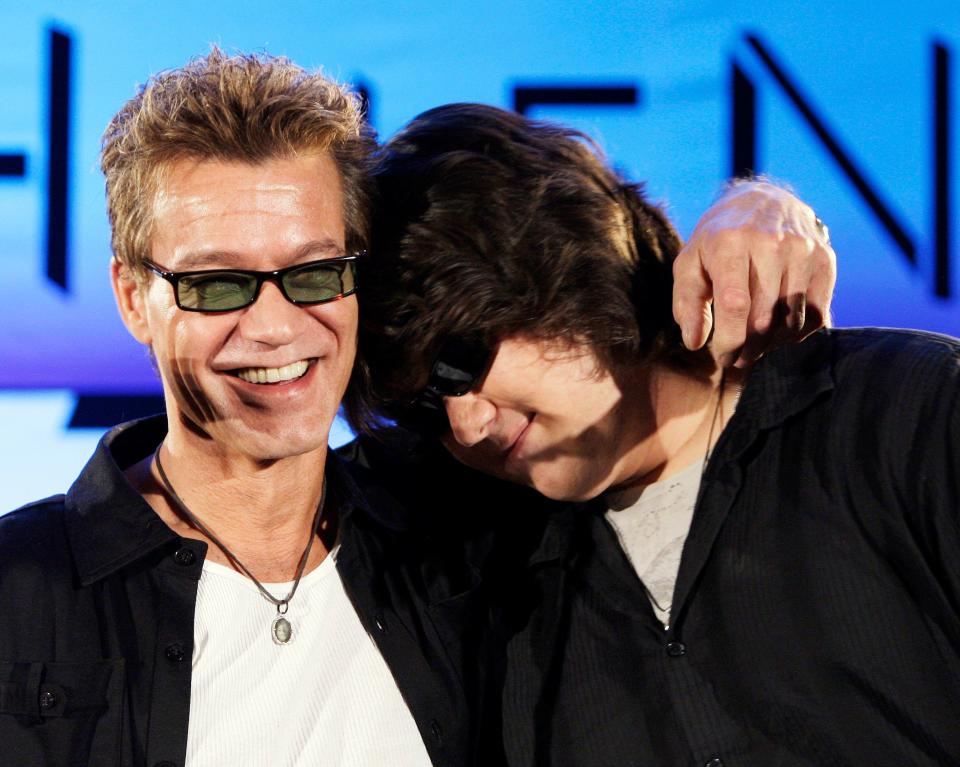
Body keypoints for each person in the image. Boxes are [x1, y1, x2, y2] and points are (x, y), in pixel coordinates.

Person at [0, 50, 837, 766]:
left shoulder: (468, 514)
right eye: (217, 283)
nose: (275, 325)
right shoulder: (22, 593)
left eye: (315, 271)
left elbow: (642, 402)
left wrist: (759, 214)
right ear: (133, 296)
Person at [347, 103, 960, 766]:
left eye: (460, 358)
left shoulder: (901, 412)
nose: (467, 422)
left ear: (561, 254)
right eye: (429, 406)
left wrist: (762, 200)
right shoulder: (483, 586)